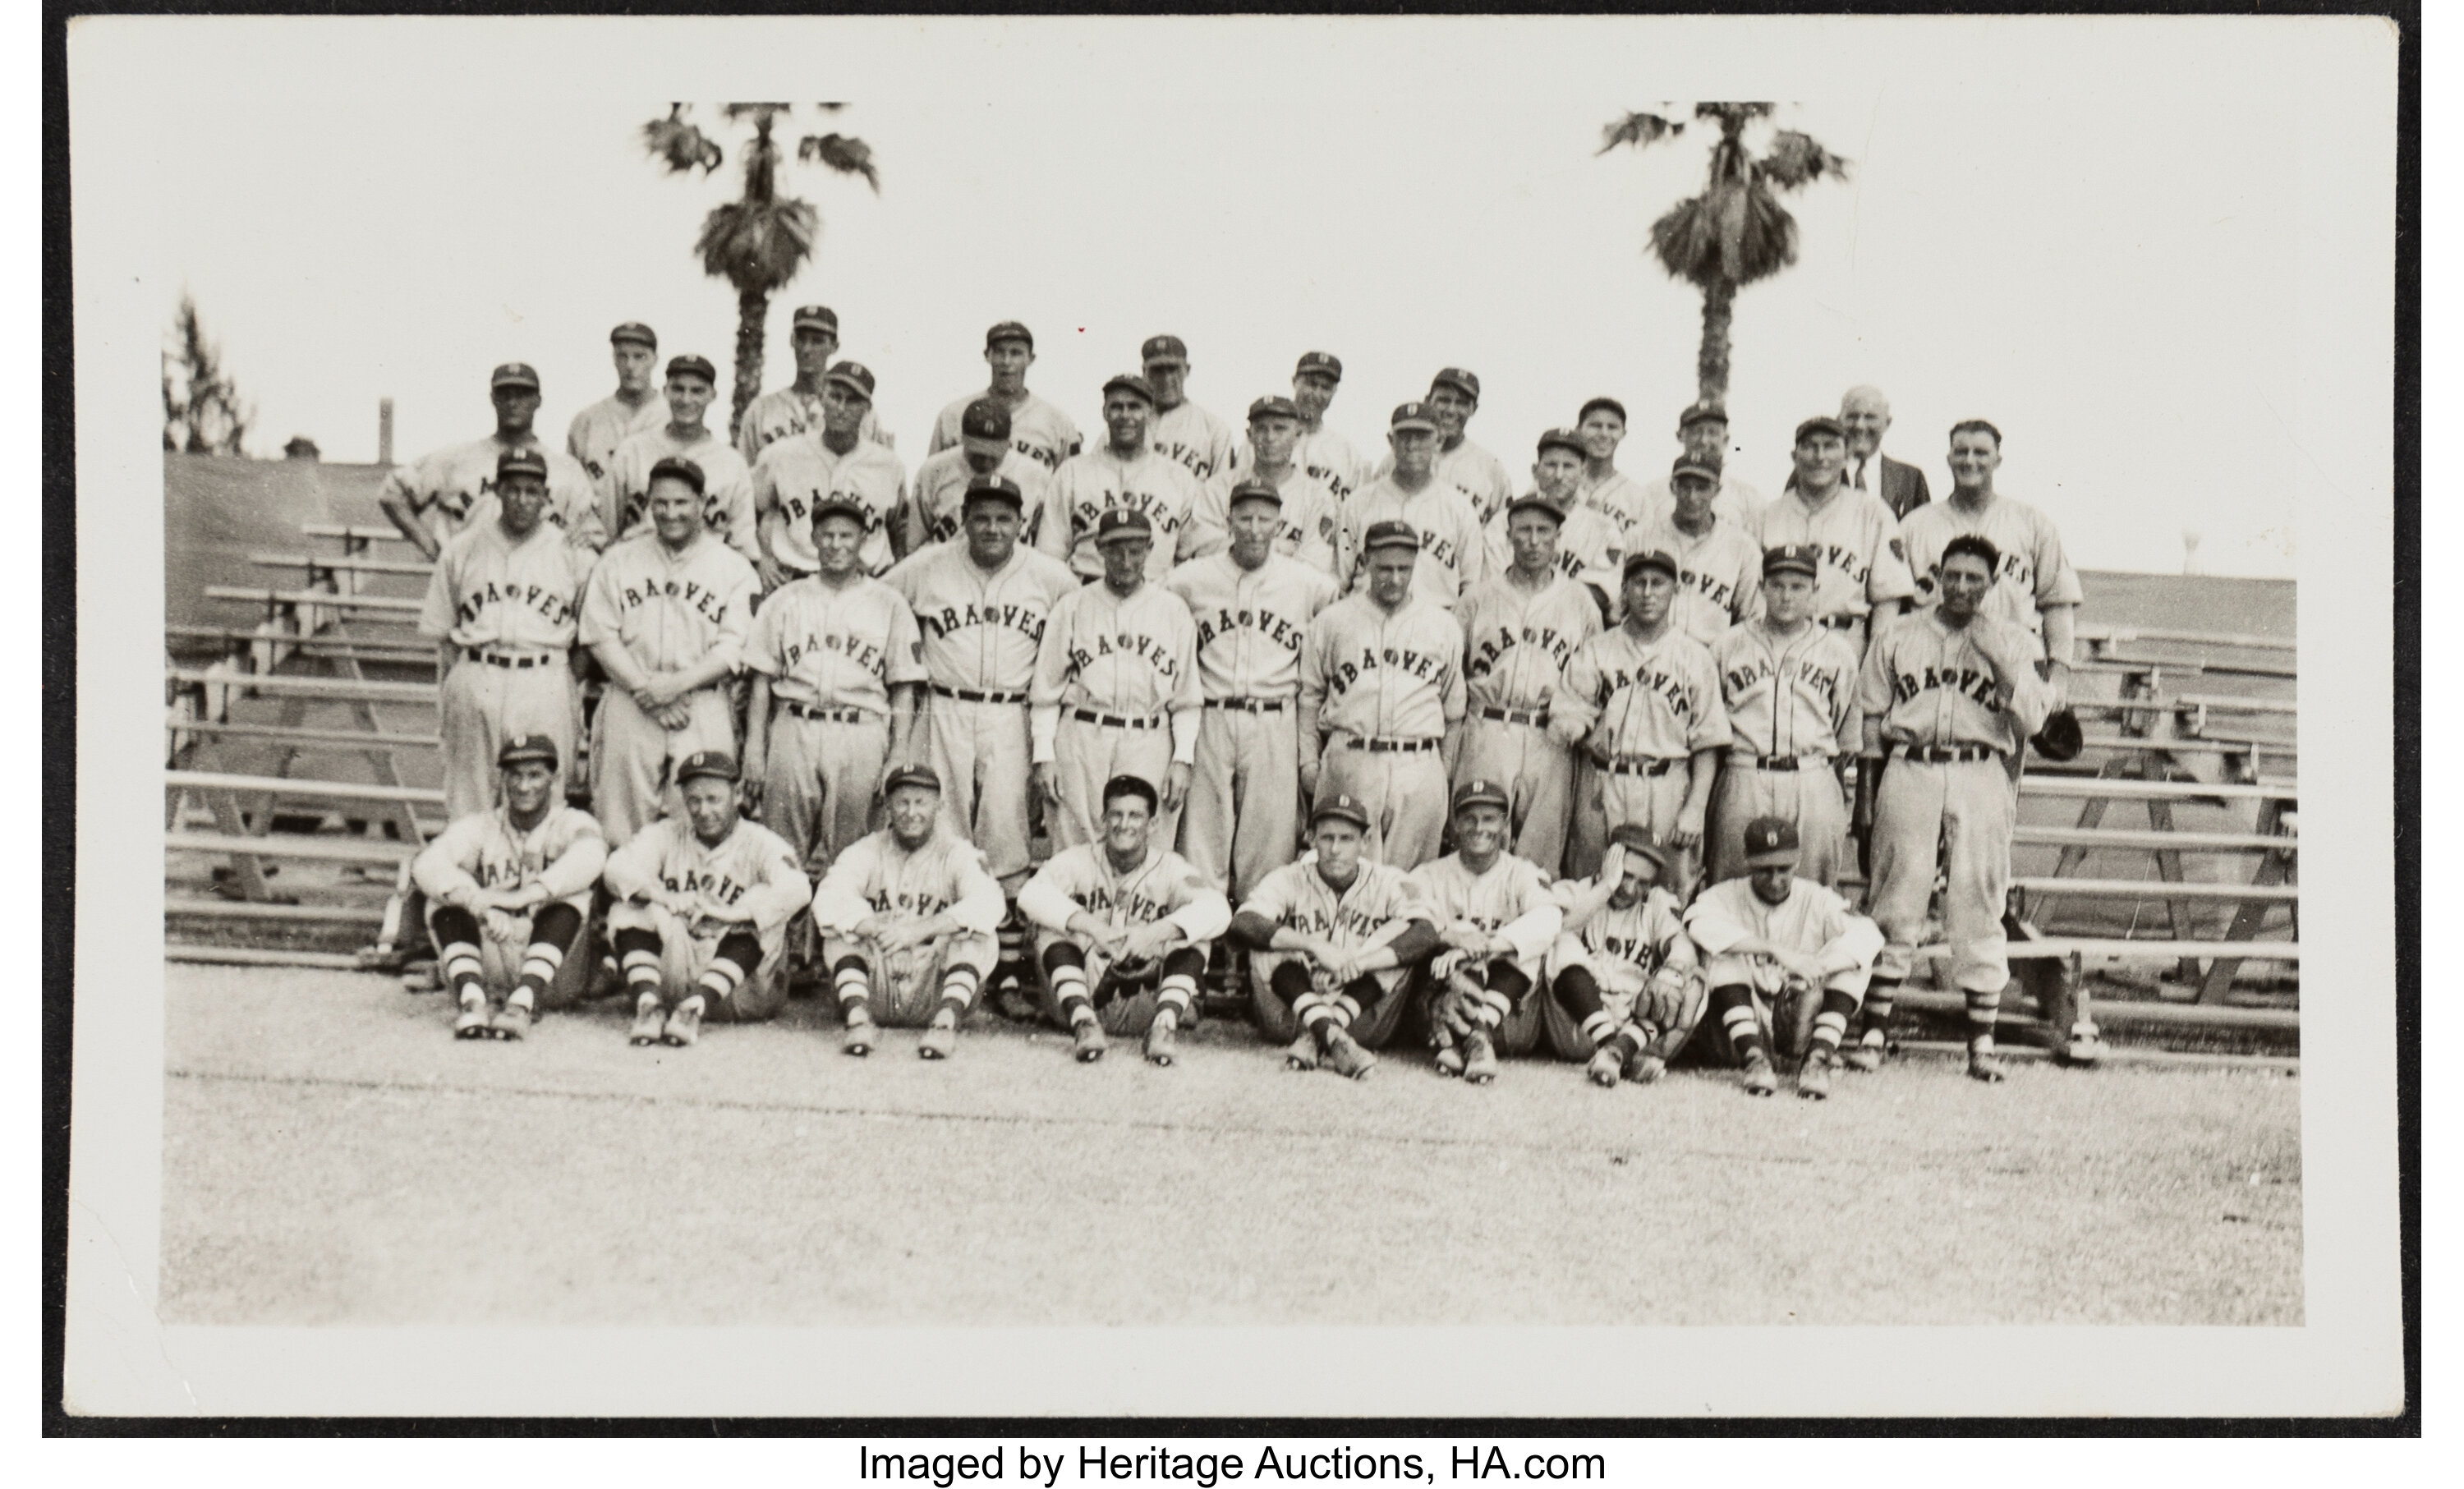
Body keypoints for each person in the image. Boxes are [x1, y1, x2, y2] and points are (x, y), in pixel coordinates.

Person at [1852, 535, 2054, 1083]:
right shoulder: (1899, 633)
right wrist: (1865, 799)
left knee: (1979, 897)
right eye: (1954, 575)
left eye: (1975, 578)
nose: (1962, 586)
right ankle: (1874, 1030)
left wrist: (1995, 654)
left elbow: (2036, 720)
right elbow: (1872, 722)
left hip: (1980, 768)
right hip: (1910, 764)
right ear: (1938, 575)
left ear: (1993, 583)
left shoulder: (2013, 639)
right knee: (1897, 895)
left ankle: (1981, 1042)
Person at [884, 474, 1081, 901]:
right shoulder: (927, 565)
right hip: (943, 705)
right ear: (964, 520)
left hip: (1012, 711)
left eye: (1003, 519)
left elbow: (1080, 632)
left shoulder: (1052, 577)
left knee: (1006, 826)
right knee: (941, 823)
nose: (992, 528)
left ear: (1021, 524)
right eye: (982, 518)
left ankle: (1002, 940)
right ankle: (942, 925)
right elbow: (877, 603)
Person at [1163, 479, 1341, 906]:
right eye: (1245, 518)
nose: (1255, 528)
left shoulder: (1308, 583)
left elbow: (1338, 634)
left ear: (1280, 525)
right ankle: (1202, 935)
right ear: (1228, 521)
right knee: (1202, 838)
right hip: (1212, 712)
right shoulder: (1190, 579)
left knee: (1268, 840)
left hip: (1274, 716)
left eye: (1265, 518)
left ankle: (1253, 938)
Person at [576, 457, 760, 847]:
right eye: (660, 503)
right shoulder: (619, 559)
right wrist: (647, 690)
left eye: (681, 503)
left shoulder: (733, 566)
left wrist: (671, 688)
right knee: (619, 821)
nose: (670, 513)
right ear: (648, 504)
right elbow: (599, 635)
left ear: (702, 502)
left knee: (702, 816)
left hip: (701, 703)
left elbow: (733, 647)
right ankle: (621, 902)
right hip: (631, 697)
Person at [741, 499, 926, 875]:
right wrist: (754, 750)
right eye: (827, 535)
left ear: (863, 539)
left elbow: (904, 687)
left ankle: (839, 933)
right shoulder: (784, 600)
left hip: (861, 731)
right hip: (794, 727)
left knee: (854, 856)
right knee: (780, 852)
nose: (837, 544)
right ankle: (787, 932)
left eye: (846, 535)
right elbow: (761, 682)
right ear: (813, 539)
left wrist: (898, 752)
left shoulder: (889, 603)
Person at [417, 447, 595, 820]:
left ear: (546, 496)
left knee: (544, 799)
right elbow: (444, 634)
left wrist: (560, 677)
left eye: (532, 491)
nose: (522, 500)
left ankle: (537, 878)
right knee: (470, 798)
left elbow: (588, 640)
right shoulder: (461, 550)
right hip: (477, 673)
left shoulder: (572, 553)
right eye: (513, 489)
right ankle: (468, 878)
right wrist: (459, 684)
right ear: (496, 490)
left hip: (544, 678)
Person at [602, 751, 813, 1047]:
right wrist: (660, 895)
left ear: (737, 794)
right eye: (694, 801)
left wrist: (733, 914)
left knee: (763, 901)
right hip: (677, 973)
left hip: (741, 991)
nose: (703, 810)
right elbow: (616, 867)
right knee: (631, 902)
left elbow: (800, 888)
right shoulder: (669, 834)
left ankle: (696, 1006)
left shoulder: (759, 841)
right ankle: (649, 1004)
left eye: (714, 799)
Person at [1018, 774, 1232, 1066]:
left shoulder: (1170, 867)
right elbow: (1030, 894)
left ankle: (1164, 1027)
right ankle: (1084, 1024)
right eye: (1116, 815)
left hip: (1147, 997)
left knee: (1194, 934)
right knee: (1049, 928)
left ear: (1153, 824)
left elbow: (1218, 909)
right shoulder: (1077, 860)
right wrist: (1092, 927)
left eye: (1135, 816)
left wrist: (1154, 933)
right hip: (1082, 991)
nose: (1124, 824)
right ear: (1103, 819)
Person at [1225, 794, 1442, 1078]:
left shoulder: (1389, 880)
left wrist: (1359, 963)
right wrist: (1314, 946)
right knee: (1268, 942)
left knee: (1402, 938)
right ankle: (1333, 1037)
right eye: (1327, 838)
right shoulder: (1289, 877)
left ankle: (1321, 1034)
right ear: (1312, 838)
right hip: (1292, 1014)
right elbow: (1243, 923)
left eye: (1347, 839)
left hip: (1362, 1015)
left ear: (1365, 842)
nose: (1335, 849)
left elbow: (1427, 932)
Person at [1551, 549, 1733, 886]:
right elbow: (1567, 713)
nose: (1648, 593)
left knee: (1668, 892)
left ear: (1675, 590)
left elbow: (1708, 744)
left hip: (1667, 784)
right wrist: (1584, 732)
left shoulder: (1695, 657)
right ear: (1625, 589)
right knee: (1591, 885)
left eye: (1658, 583)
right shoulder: (1597, 650)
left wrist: (1695, 808)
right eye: (1638, 583)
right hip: (1603, 786)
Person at [411, 735, 608, 1041]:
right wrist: (477, 902)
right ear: (502, 778)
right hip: (492, 954)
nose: (524, 786)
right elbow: (427, 862)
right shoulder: (482, 825)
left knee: (575, 896)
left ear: (554, 779)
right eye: (515, 775)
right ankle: (472, 1001)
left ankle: (524, 1003)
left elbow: (592, 856)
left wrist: (519, 899)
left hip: (554, 973)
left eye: (534, 775)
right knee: (444, 899)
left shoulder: (570, 821)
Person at [1029, 508, 1202, 852]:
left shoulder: (1173, 610)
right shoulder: (1072, 607)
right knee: (1075, 845)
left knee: (1146, 843)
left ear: (1150, 549)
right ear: (1099, 548)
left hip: (1149, 735)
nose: (1126, 560)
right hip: (1082, 734)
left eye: (1135, 551)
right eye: (1115, 550)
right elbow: (1046, 692)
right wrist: (1044, 754)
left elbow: (1186, 699)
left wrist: (1182, 758)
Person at [1299, 521, 1467, 871]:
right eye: (1385, 568)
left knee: (1412, 880)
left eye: (1403, 569)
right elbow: (1310, 698)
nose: (1394, 578)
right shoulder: (1333, 621)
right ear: (1365, 562)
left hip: (1418, 764)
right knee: (1342, 871)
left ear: (1415, 565)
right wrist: (1309, 763)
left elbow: (1453, 713)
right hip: (1351, 759)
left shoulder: (1442, 625)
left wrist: (1444, 773)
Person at [809, 765, 1008, 1059]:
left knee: (978, 935)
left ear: (939, 806)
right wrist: (879, 932)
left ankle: (944, 1024)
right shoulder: (868, 849)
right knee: (841, 932)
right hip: (878, 984)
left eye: (920, 802)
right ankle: (858, 1020)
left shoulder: (958, 852)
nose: (911, 812)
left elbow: (990, 903)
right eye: (902, 802)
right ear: (888, 806)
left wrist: (918, 931)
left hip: (935, 986)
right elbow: (828, 896)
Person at [1457, 487, 1603, 875]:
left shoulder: (1579, 601)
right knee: (1478, 842)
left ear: (1558, 538)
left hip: (1549, 735)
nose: (1533, 541)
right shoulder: (1477, 598)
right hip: (1487, 726)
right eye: (1523, 530)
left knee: (1540, 857)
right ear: (1508, 536)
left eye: (1544, 531)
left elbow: (1593, 680)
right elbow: (1453, 670)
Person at [1684, 816, 1884, 1099]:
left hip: (1802, 1022)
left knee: (1853, 964)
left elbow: (1869, 934)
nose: (1775, 879)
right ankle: (1755, 1061)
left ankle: (1817, 1061)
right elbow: (1696, 922)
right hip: (1741, 1027)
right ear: (1748, 862)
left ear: (1798, 861)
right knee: (1721, 953)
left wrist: (1818, 967)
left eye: (1784, 869)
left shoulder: (1816, 897)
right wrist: (1776, 951)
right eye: (1764, 870)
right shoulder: (1725, 895)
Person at [1896, 420, 2082, 710]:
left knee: (2003, 750)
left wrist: (2059, 674)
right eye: (1961, 452)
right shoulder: (1916, 526)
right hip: (1932, 661)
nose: (1970, 460)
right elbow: (1898, 607)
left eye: (1981, 453)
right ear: (1949, 458)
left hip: (2012, 658)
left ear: (1998, 459)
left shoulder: (2031, 522)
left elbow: (2057, 603)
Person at [1708, 545, 1863, 888]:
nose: (1786, 596)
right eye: (1777, 586)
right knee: (1731, 885)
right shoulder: (1727, 645)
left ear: (1815, 592)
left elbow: (1845, 734)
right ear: (1762, 587)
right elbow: (1712, 724)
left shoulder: (1838, 652)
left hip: (1811, 775)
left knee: (1813, 889)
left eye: (1798, 587)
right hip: (1745, 772)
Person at [1409, 779, 1563, 1085]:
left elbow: (1550, 917)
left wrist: (1486, 946)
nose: (1479, 828)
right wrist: (1449, 936)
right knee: (1450, 936)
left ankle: (1477, 1034)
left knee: (1525, 945)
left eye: (1490, 819)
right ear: (1454, 824)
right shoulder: (1429, 874)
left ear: (1506, 825)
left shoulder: (1522, 872)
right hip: (1444, 998)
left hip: (1507, 1011)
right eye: (1469, 818)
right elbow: (1410, 922)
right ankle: (1471, 1042)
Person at [377, 362, 600, 560]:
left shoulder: (566, 470)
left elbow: (592, 533)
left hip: (541, 588)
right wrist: (433, 549)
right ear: (493, 399)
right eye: (505, 395)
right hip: (469, 584)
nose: (513, 402)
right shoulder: (456, 460)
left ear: (538, 401)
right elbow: (392, 493)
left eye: (522, 395)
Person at [1542, 827, 1703, 1088]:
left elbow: (1682, 944)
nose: (1630, 889)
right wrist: (1607, 885)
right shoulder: (1575, 891)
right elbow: (1559, 927)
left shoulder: (1655, 901)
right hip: (1577, 1024)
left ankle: (1616, 1053)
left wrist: (1671, 970)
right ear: (1608, 860)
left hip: (1637, 1023)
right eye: (1625, 876)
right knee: (1561, 940)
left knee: (1692, 979)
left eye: (1642, 882)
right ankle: (1618, 1051)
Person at [1753, 414, 1917, 657]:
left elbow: (1888, 599)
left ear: (1846, 456)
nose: (1820, 457)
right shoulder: (1767, 515)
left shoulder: (1872, 512)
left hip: (1845, 641)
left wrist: (1874, 661)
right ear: (1794, 457)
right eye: (1809, 447)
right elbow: (1752, 596)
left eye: (1830, 446)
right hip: (1776, 643)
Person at [748, 359, 909, 589]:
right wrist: (761, 559)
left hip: (865, 583)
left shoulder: (889, 466)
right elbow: (746, 511)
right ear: (821, 398)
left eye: (853, 401)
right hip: (794, 578)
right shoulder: (780, 455)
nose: (841, 408)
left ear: (868, 409)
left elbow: (900, 529)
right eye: (835, 397)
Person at [1037, 373, 1207, 583]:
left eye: (1134, 407)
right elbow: (1050, 553)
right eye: (1117, 407)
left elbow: (1190, 556)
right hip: (1087, 587)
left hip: (1156, 592)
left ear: (1149, 412)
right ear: (1105, 412)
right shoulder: (1072, 471)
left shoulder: (1179, 477)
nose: (1125, 415)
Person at [604, 354, 761, 567]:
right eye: (678, 389)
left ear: (712, 395)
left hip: (706, 573)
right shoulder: (632, 451)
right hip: (638, 566)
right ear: (666, 391)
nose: (686, 400)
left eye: (697, 391)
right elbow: (608, 530)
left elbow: (743, 545)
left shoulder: (731, 463)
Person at [1344, 402, 1487, 609]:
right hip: (1364, 621)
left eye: (1421, 436)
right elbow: (1338, 578)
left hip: (1435, 626)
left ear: (1439, 441)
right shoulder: (1358, 503)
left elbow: (1470, 588)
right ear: (1391, 441)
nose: (1412, 445)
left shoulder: (1460, 509)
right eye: (1404, 436)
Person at [1190, 396, 1345, 577]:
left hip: (1286, 594)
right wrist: (1283, 547)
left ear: (1297, 436)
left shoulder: (1318, 497)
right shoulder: (1218, 487)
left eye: (1280, 429)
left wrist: (1243, 547)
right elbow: (1203, 549)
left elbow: (1315, 567)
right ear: (1250, 436)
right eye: (1262, 429)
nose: (1270, 437)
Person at [1479, 428, 1623, 614]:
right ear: (1535, 470)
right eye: (1551, 465)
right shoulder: (1503, 522)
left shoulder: (1604, 528)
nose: (1559, 476)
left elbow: (1603, 592)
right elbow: (1493, 583)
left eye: (1568, 466)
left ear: (1583, 472)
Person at [736, 304, 891, 466]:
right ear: (792, 340)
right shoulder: (762, 410)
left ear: (834, 346)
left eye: (817, 341)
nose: (807, 349)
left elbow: (877, 471)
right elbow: (745, 474)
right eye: (802, 339)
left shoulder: (859, 412)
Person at [1630, 455, 1763, 645]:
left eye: (1702, 488)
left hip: (1710, 655)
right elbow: (1618, 608)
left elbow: (1752, 619)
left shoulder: (1743, 547)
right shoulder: (1639, 537)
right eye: (1685, 487)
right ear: (1672, 487)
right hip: (1644, 652)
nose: (1692, 497)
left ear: (1717, 490)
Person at [926, 320, 1083, 477]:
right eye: (999, 352)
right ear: (987, 356)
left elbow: (1069, 486)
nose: (1006, 362)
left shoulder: (1056, 422)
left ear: (1031, 358)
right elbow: (931, 476)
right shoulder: (953, 415)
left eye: (1016, 353)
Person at [905, 399, 1054, 551]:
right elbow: (914, 545)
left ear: (1008, 443)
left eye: (993, 454)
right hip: (946, 570)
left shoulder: (1037, 476)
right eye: (978, 454)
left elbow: (1046, 548)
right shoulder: (934, 470)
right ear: (963, 439)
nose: (986, 462)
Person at [566, 322, 669, 495]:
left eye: (639, 357)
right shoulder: (587, 420)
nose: (630, 365)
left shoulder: (670, 417)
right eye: (623, 356)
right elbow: (569, 485)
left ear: (654, 360)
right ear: (614, 358)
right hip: (597, 518)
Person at [1636, 402, 1763, 534]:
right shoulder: (1652, 494)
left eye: (1712, 432)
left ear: (1726, 439)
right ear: (1680, 436)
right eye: (1696, 431)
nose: (1704, 440)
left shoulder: (1748, 498)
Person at [1418, 367, 1516, 524]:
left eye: (1461, 403)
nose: (1451, 410)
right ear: (1428, 401)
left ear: (1473, 409)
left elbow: (1503, 532)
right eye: (1444, 400)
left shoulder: (1492, 469)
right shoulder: (1398, 459)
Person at [1139, 333, 1239, 486]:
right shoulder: (1124, 427)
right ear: (1144, 373)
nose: (1166, 380)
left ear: (1187, 370)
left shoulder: (1214, 428)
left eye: (1173, 369)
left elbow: (1223, 493)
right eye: (1157, 370)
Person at [1837, 384, 1930, 522]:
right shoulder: (1818, 472)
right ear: (1840, 421)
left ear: (1887, 423)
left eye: (1870, 417)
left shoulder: (1911, 479)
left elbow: (1923, 534)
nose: (1860, 425)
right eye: (1852, 416)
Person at [1285, 350, 1368, 503]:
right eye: (1311, 384)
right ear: (1294, 381)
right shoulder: (1263, 440)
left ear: (1334, 392)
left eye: (1325, 388)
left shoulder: (1347, 452)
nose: (1316, 394)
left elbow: (1353, 515)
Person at [1571, 396, 1648, 540]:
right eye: (1595, 426)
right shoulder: (1559, 483)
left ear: (1623, 433)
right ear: (1578, 429)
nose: (1604, 434)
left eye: (1612, 427)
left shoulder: (1637, 497)